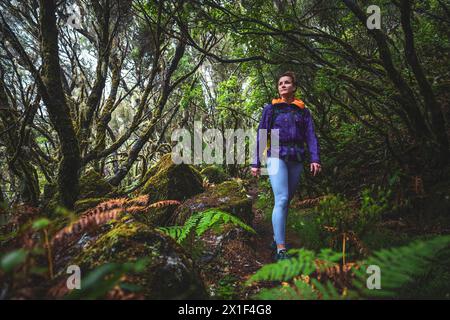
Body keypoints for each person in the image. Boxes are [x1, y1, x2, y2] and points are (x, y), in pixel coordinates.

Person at [251, 71, 321, 261]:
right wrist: (255, 162)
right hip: (275, 154)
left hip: (296, 157)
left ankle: (276, 237)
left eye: (287, 82)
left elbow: (311, 136)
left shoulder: (302, 110)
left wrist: (315, 159)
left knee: (286, 200)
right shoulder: (271, 109)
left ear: (294, 87)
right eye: (280, 83)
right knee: (281, 198)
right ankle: (281, 249)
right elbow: (261, 134)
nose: (283, 85)